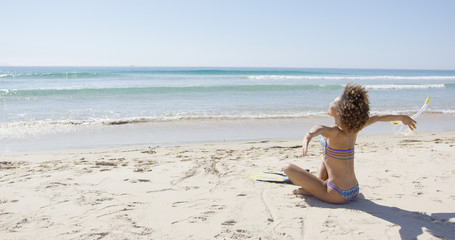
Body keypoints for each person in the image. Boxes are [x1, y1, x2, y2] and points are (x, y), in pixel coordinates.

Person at [283, 83, 416, 204]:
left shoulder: (335, 132)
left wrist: (309, 136)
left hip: (336, 193)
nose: (331, 103)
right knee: (325, 155)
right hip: (353, 190)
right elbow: (377, 118)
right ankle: (314, 188)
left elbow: (320, 128)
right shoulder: (354, 128)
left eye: (334, 102)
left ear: (340, 111)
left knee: (287, 168)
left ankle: (312, 190)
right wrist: (401, 117)